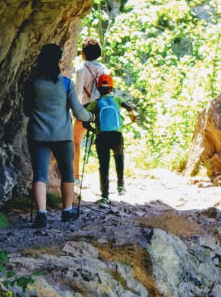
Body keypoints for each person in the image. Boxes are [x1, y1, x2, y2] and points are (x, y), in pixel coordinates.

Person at [23, 44, 92, 228]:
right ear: (58, 62)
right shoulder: (66, 84)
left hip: (38, 134)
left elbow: (27, 110)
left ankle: (41, 215)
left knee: (40, 174)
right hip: (62, 135)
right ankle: (67, 211)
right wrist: (90, 117)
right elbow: (78, 111)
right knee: (67, 172)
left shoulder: (32, 83)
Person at [84, 74, 136, 205]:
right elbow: (130, 108)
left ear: (98, 88)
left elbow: (84, 118)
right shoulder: (117, 99)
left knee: (104, 166)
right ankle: (120, 185)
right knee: (119, 158)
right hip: (116, 135)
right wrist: (132, 116)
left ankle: (105, 196)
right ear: (111, 88)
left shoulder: (95, 103)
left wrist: (93, 130)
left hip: (102, 136)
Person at [72, 38, 109, 176]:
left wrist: (74, 113)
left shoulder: (81, 68)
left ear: (83, 53)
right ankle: (104, 178)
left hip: (85, 109)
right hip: (100, 110)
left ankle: (75, 176)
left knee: (75, 142)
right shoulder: (105, 69)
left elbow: (78, 93)